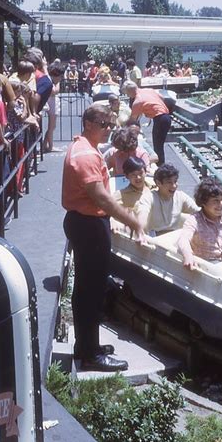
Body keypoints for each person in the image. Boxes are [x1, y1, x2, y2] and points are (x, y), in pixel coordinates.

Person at [62, 104, 149, 372]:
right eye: (103, 124)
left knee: (88, 289)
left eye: (110, 125)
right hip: (89, 225)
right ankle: (90, 355)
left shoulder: (83, 147)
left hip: (85, 223)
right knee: (91, 290)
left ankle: (88, 345)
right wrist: (133, 221)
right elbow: (102, 198)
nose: (108, 129)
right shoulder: (86, 155)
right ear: (88, 124)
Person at [136, 163, 200, 236]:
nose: (174, 186)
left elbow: (198, 211)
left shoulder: (180, 196)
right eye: (169, 182)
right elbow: (142, 216)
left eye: (175, 181)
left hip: (175, 236)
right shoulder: (148, 197)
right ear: (158, 183)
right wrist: (140, 230)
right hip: (155, 237)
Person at [123, 81, 171, 166]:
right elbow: (162, 97)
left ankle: (160, 166)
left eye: (127, 93)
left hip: (160, 119)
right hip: (166, 116)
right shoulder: (149, 90)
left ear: (130, 92)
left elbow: (132, 120)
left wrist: (123, 129)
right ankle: (160, 164)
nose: (128, 96)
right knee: (159, 143)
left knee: (158, 145)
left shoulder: (138, 101)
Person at [43, 63, 63, 153]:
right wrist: (58, 83)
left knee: (52, 126)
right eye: (60, 76)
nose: (61, 78)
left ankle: (45, 144)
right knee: (51, 126)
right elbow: (55, 91)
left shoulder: (50, 80)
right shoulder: (51, 81)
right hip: (51, 102)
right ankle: (50, 147)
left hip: (52, 102)